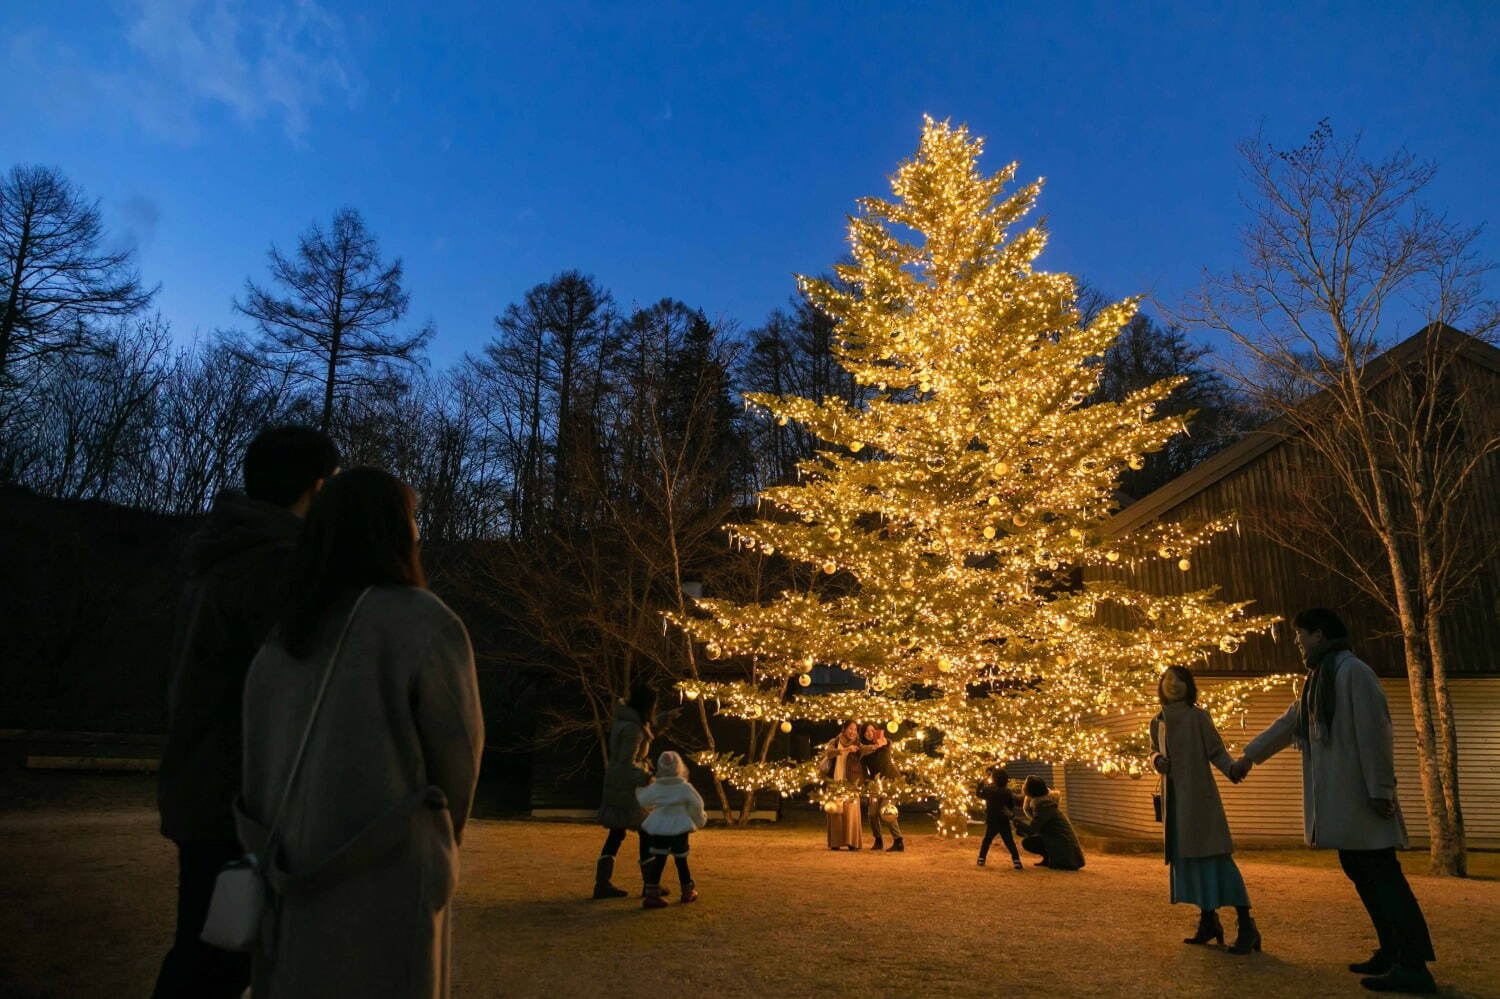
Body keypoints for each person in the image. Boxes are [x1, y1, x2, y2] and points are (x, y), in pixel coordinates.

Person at [238, 467, 484, 998]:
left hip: (291, 873)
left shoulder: (284, 635)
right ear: (396, 531)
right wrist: (440, 836)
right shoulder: (424, 621)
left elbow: (255, 763)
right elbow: (459, 754)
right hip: (391, 872)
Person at [152, 425, 338, 999]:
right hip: (237, 798)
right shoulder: (275, 566)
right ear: (316, 486)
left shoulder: (222, 556)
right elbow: (298, 685)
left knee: (208, 950)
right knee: (218, 960)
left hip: (203, 782)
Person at [1231, 609, 1436, 995]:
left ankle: (1414, 965)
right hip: (1348, 802)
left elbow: (1376, 732)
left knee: (1383, 877)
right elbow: (1291, 721)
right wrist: (1249, 757)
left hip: (1364, 799)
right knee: (1363, 871)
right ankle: (1393, 951)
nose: (1297, 644)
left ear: (1319, 635)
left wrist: (1380, 790)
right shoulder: (1319, 679)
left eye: (1300, 636)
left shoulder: (1353, 673)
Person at [1151, 666, 1260, 954]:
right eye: (1168, 680)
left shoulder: (1198, 716)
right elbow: (1154, 750)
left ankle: (1246, 924)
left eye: (1179, 680)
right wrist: (1156, 760)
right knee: (1190, 861)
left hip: (1200, 799)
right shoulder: (1158, 721)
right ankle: (1208, 919)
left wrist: (1233, 770)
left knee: (1216, 859)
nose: (1173, 685)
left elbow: (1215, 750)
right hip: (1175, 801)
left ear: (1189, 686)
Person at [595, 685, 668, 899]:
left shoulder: (625, 722)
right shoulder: (633, 729)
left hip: (617, 784)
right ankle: (649, 884)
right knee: (646, 831)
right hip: (628, 787)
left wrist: (660, 722)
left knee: (617, 832)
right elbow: (627, 762)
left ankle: (602, 883)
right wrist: (647, 778)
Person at [637, 750, 708, 908]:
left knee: (659, 859)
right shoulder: (684, 787)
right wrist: (699, 820)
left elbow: (644, 800)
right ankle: (687, 891)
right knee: (681, 859)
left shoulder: (657, 786)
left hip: (659, 825)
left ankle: (651, 894)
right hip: (679, 826)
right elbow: (697, 805)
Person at [1013, 775, 1085, 870]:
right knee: (1029, 840)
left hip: (1065, 847)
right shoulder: (1041, 802)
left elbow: (1032, 829)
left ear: (1031, 790)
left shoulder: (1044, 806)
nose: (1023, 786)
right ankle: (1049, 859)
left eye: (1025, 784)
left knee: (1028, 842)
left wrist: (1016, 820)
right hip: (1056, 839)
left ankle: (1061, 861)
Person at [859, 722, 905, 851]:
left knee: (886, 809)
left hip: (891, 781)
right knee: (872, 813)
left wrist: (883, 742)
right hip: (875, 784)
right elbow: (864, 772)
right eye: (867, 731)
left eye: (873, 730)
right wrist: (868, 790)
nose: (870, 733)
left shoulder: (885, 744)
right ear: (863, 734)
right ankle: (878, 840)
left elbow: (889, 742)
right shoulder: (864, 750)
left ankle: (898, 841)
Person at [821, 721, 865, 850]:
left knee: (851, 814)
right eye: (850, 729)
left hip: (851, 782)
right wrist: (845, 749)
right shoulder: (835, 741)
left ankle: (852, 843)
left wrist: (874, 746)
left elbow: (865, 749)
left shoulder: (857, 743)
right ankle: (835, 843)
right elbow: (829, 753)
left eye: (855, 730)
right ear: (844, 729)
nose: (853, 732)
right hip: (835, 781)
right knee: (836, 812)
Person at [976, 764, 1022, 870]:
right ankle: (1017, 861)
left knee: (987, 840)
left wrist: (980, 784)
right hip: (1003, 819)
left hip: (992, 819)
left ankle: (981, 859)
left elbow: (979, 794)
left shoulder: (988, 790)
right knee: (1009, 841)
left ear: (994, 779)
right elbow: (1011, 805)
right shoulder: (1007, 792)